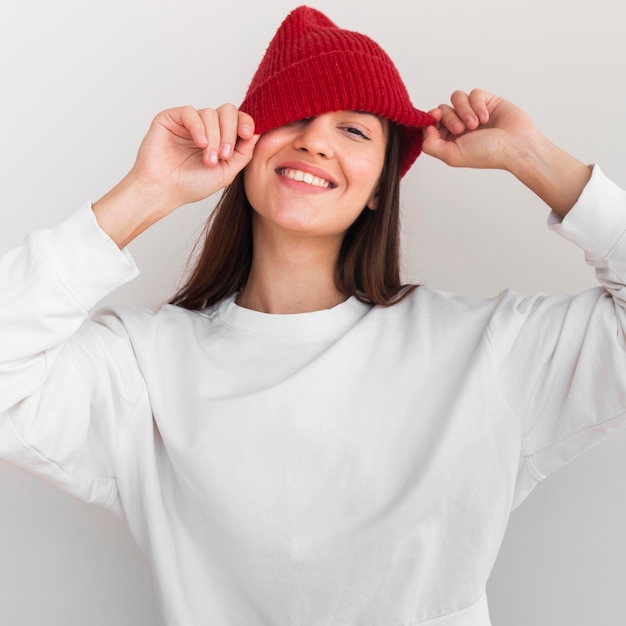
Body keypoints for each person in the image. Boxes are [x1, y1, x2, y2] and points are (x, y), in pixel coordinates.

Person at [1, 5, 624, 625]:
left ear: (383, 183)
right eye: (294, 115)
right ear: (245, 149)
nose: (315, 139)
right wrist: (147, 191)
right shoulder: (145, 368)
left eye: (354, 131)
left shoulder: (485, 350)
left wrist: (534, 157)